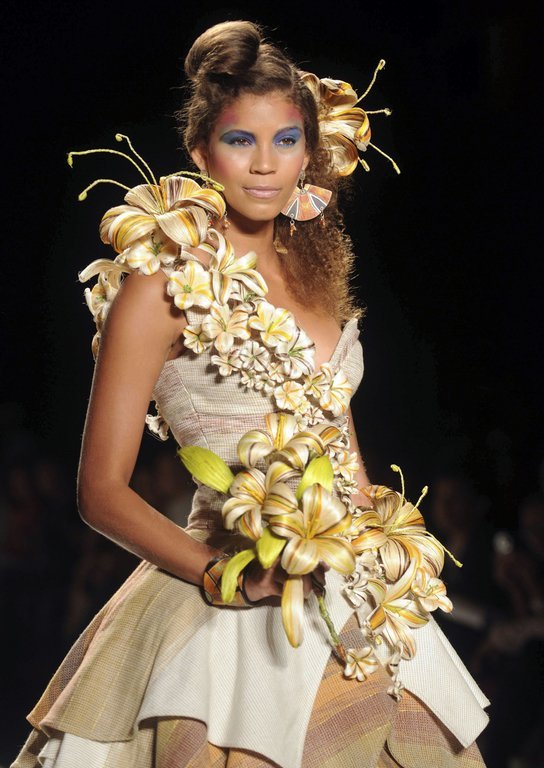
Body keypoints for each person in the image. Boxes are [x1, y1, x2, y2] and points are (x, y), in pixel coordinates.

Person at [12, 20, 489, 768]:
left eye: (286, 140)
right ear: (202, 152)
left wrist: (388, 551)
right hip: (229, 594)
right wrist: (219, 577)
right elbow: (100, 491)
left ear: (309, 150)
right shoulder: (157, 289)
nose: (266, 164)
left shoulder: (315, 276)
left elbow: (343, 451)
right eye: (242, 140)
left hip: (356, 594)